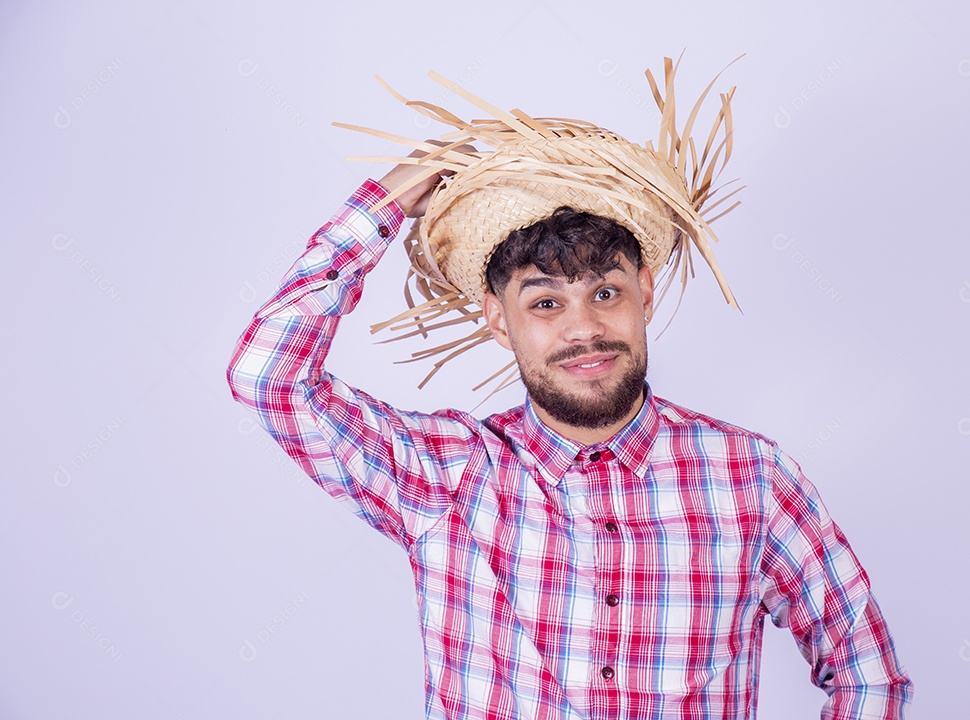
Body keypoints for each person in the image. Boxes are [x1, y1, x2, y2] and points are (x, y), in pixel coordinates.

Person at [227, 64, 913, 720]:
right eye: (546, 304)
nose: (584, 329)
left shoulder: (752, 480)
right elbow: (267, 377)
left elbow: (866, 672)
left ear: (644, 291)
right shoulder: (445, 475)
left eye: (606, 293)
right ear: (500, 320)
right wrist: (379, 208)